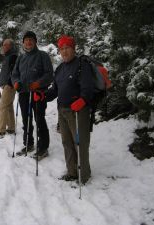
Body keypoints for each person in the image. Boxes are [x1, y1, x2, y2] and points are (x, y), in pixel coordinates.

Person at [46, 35, 94, 184]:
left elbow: (88, 88)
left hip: (78, 111)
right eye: (61, 48)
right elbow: (55, 90)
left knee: (80, 143)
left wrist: (83, 100)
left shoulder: (82, 64)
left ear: (73, 49)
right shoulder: (60, 68)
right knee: (67, 142)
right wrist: (42, 96)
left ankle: (83, 175)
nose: (64, 51)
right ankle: (72, 171)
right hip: (62, 110)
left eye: (67, 48)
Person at [11, 31, 53, 160]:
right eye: (26, 40)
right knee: (26, 120)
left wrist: (38, 83)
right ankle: (28, 143)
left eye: (31, 40)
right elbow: (15, 74)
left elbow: (49, 74)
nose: (28, 42)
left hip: (38, 93)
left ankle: (43, 147)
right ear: (23, 43)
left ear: (35, 42)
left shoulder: (43, 56)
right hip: (24, 93)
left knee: (39, 119)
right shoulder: (21, 58)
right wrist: (16, 82)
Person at [0, 39, 18, 139]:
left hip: (9, 86)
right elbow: (6, 72)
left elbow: (14, 72)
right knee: (9, 106)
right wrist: (0, 81)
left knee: (2, 107)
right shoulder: (7, 57)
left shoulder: (13, 57)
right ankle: (11, 128)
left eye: (6, 45)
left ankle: (0, 130)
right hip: (6, 84)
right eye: (3, 45)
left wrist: (10, 83)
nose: (4, 46)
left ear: (11, 46)